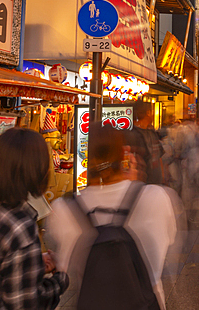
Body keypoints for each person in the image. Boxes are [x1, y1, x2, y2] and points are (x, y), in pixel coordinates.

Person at [48, 126, 179, 310]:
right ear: (125, 155)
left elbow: (65, 267)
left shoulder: (64, 209)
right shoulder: (157, 198)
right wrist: (135, 185)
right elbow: (169, 243)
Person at [0, 128, 69, 310]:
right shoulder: (20, 225)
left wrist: (32, 263)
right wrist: (61, 278)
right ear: (36, 170)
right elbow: (26, 303)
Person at [127, 101, 164, 184]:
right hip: (142, 183)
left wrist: (163, 177)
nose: (154, 114)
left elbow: (159, 156)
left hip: (155, 181)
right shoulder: (132, 134)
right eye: (153, 112)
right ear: (148, 113)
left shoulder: (152, 133)